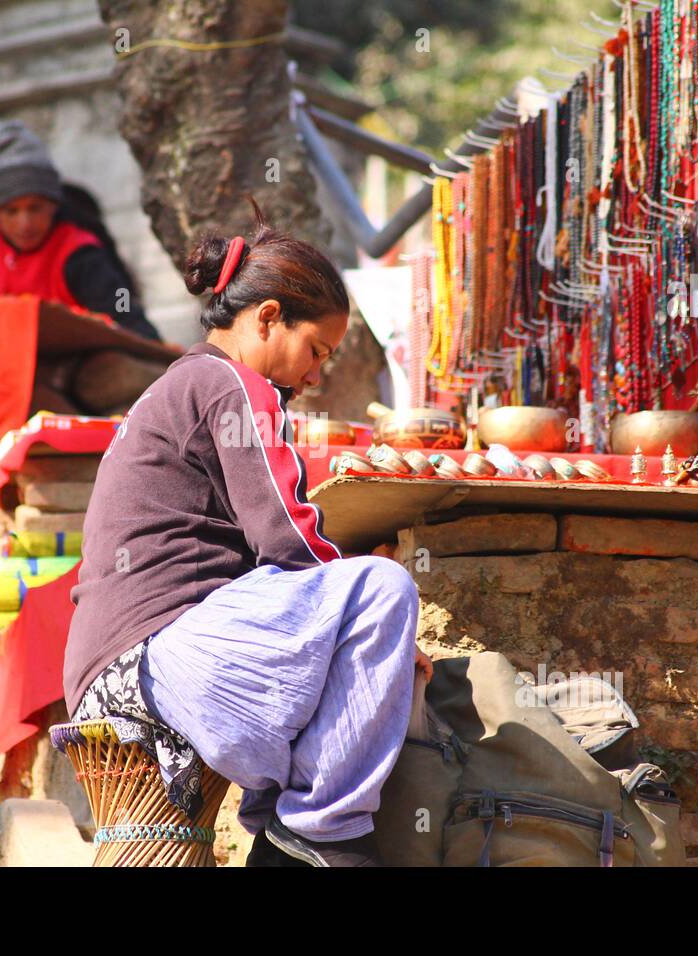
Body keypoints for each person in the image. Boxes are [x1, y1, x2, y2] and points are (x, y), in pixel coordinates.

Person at [63, 202, 428, 867]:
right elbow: (284, 533)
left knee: (352, 635)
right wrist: (380, 626)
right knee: (381, 589)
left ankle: (288, 832)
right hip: (158, 660)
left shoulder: (185, 380)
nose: (316, 373)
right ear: (266, 319)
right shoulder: (233, 385)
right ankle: (322, 832)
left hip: (114, 667)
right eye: (316, 349)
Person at [0, 120, 168, 415]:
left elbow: (123, 312)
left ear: (53, 206)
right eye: (12, 211)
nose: (25, 223)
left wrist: (161, 356)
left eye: (35, 208)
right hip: (10, 373)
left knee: (115, 378)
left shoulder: (78, 245)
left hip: (86, 367)